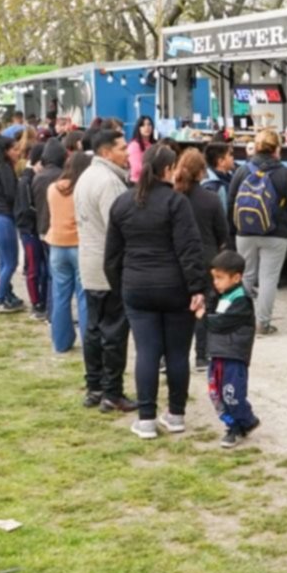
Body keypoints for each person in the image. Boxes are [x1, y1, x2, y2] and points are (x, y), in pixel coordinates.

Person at [104, 144, 207, 440]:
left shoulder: (123, 203)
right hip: (176, 288)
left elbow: (112, 256)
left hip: (137, 287)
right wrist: (197, 287)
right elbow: (190, 249)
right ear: (167, 170)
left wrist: (121, 285)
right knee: (177, 352)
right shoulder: (176, 203)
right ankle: (175, 414)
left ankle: (146, 418)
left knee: (146, 352)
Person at [77, 129, 137, 413]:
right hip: (108, 266)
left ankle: (95, 386)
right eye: (123, 148)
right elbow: (120, 227)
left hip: (90, 263)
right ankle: (112, 391)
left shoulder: (86, 176)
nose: (128, 153)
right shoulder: (108, 182)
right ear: (105, 152)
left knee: (93, 328)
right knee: (113, 332)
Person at [227, 128, 287, 336]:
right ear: (277, 149)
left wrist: (235, 228)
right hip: (275, 233)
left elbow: (231, 200)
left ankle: (239, 319)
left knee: (244, 276)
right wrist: (286, 224)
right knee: (268, 278)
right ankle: (262, 324)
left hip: (244, 232)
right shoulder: (285, 173)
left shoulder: (242, 170)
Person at [176, 148, 231, 372]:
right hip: (207, 256)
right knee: (206, 307)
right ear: (201, 172)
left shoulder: (175, 197)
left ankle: (171, 355)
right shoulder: (210, 199)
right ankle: (202, 354)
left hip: (179, 257)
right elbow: (223, 232)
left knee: (180, 308)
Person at [204, 249, 260, 448]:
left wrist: (203, 316)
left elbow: (221, 323)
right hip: (218, 353)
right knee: (215, 392)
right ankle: (233, 423)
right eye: (214, 278)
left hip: (234, 355)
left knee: (232, 393)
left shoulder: (241, 300)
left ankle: (242, 423)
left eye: (220, 278)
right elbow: (213, 311)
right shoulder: (222, 295)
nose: (215, 283)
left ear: (236, 278)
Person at [45, 148, 88, 352]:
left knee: (60, 295)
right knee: (83, 296)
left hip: (56, 244)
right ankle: (89, 342)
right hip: (78, 244)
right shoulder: (83, 189)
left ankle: (60, 342)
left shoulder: (53, 188)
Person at [0, 134, 29, 313]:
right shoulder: (4, 169)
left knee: (4, 262)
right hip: (3, 218)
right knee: (10, 263)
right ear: (5, 151)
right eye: (15, 149)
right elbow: (11, 195)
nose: (18, 152)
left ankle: (6, 295)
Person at [29, 139, 68, 318]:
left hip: (42, 227)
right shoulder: (62, 177)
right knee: (56, 275)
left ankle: (47, 307)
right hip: (57, 228)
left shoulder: (38, 176)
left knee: (48, 270)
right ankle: (53, 312)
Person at [202, 141, 235, 210]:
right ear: (221, 162)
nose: (233, 158)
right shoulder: (211, 187)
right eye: (230, 155)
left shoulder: (230, 177)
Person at [127, 115, 156, 182]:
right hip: (138, 182)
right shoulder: (134, 145)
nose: (147, 127)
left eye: (149, 124)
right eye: (143, 125)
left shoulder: (155, 144)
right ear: (138, 128)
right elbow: (137, 168)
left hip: (153, 181)